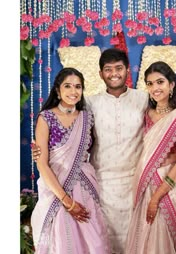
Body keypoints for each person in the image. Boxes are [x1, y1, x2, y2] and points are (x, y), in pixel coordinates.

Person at [32, 48, 176, 254]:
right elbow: (71, 132)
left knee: (137, 243)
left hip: (137, 184)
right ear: (100, 73)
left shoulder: (143, 98)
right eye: (108, 69)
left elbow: (167, 121)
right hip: (102, 187)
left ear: (127, 70)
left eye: (119, 68)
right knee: (103, 243)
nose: (114, 73)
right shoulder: (89, 104)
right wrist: (45, 152)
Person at [31, 67, 110, 254]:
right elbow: (42, 163)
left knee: (95, 243)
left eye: (78, 87)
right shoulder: (46, 118)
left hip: (85, 188)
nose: (73, 91)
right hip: (56, 189)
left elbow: (87, 151)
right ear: (58, 90)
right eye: (68, 86)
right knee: (62, 243)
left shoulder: (86, 117)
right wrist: (67, 201)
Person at [125, 61, 176, 254]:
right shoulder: (146, 114)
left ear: (171, 84)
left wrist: (156, 198)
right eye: (150, 84)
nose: (155, 88)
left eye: (160, 82)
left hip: (169, 187)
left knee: (166, 239)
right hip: (144, 184)